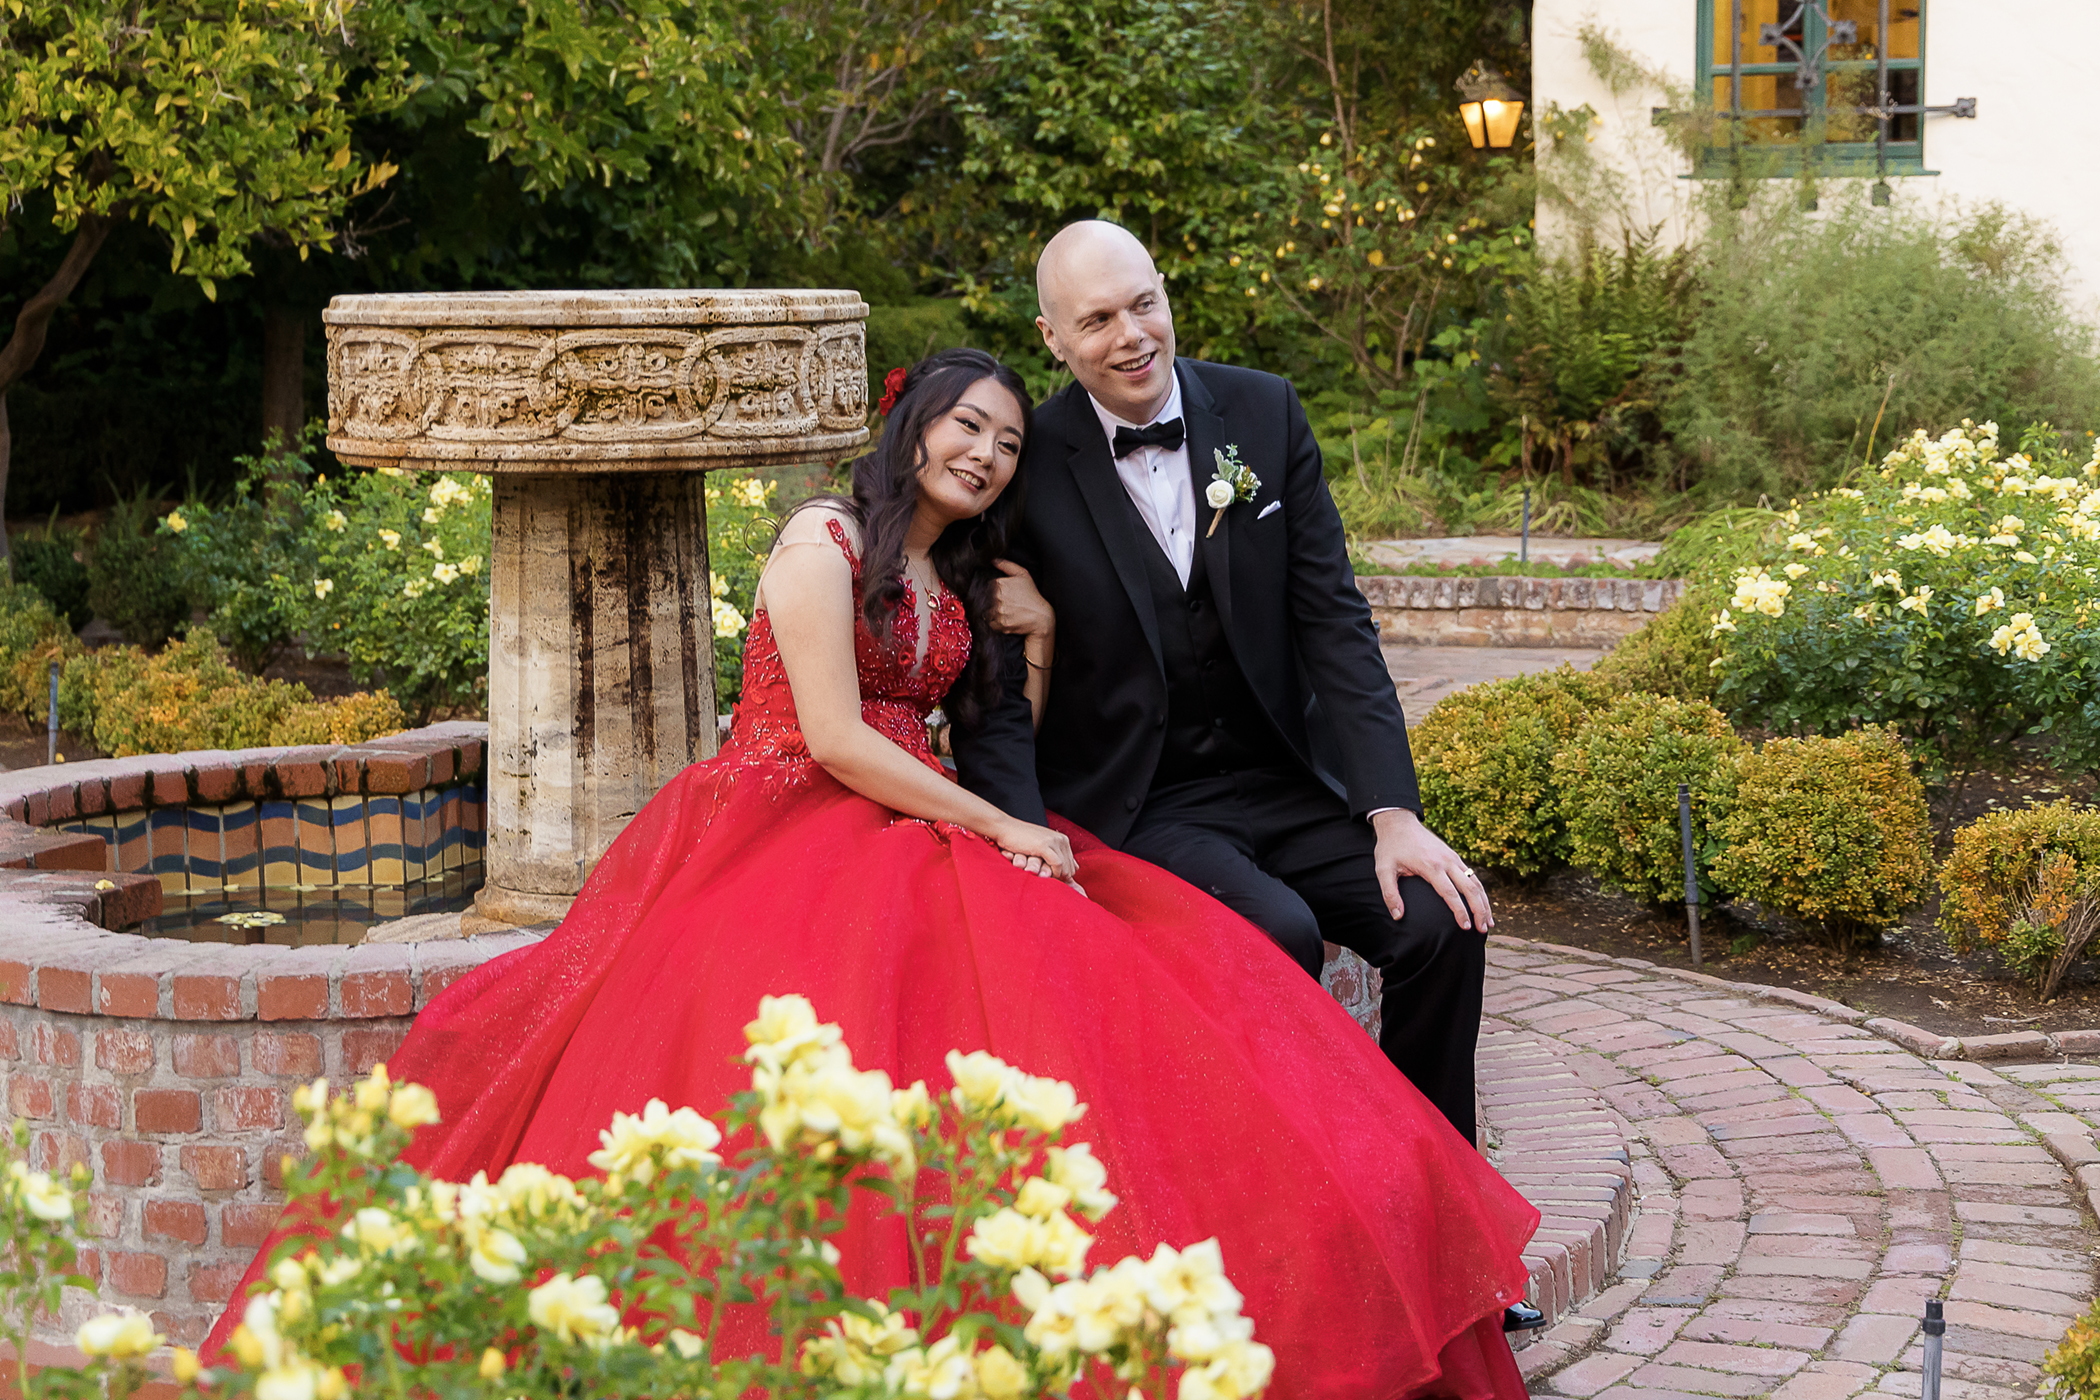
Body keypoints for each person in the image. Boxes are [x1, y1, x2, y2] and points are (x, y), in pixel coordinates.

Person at [204, 348, 1539, 1399]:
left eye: (1007, 442)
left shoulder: (957, 573)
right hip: (788, 812)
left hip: (914, 814)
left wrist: (1039, 643)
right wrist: (997, 824)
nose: (987, 453)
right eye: (968, 426)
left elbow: (997, 724)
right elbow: (837, 736)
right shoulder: (824, 541)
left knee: (1122, 979)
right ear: (913, 427)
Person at [952, 220, 1492, 1156]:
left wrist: (1393, 813)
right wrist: (1022, 836)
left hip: (1286, 778)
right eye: (1098, 320)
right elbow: (993, 687)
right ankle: (1305, 1187)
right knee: (1275, 933)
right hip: (1147, 800)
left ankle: (1433, 1192)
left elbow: (1335, 624)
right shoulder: (1025, 462)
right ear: (1053, 338)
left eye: (1144, 305)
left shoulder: (1264, 411)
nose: (1132, 336)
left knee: (1442, 921)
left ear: (1166, 294)